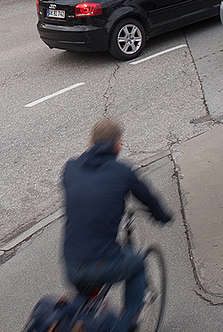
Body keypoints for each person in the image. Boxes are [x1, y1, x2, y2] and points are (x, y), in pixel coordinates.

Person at [62, 118, 172, 332]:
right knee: (136, 265)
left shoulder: (70, 169)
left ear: (90, 142)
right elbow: (150, 200)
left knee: (85, 304)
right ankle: (125, 324)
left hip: (71, 264)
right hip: (101, 261)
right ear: (118, 146)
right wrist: (162, 216)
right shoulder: (122, 172)